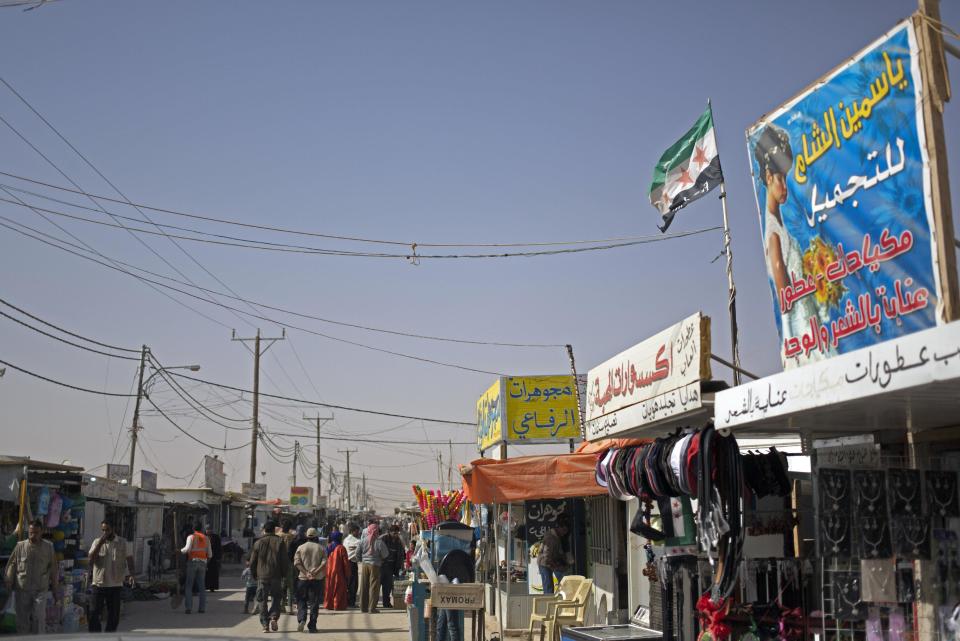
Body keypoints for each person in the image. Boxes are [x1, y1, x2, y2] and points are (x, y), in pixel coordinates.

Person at [753, 124, 831, 366]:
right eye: (779, 179)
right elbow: (785, 300)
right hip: (802, 335)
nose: (784, 187)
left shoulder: (780, 227)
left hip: (811, 329)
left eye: (785, 179)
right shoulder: (773, 234)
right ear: (768, 177)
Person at [4, 520, 57, 634]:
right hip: (22, 589)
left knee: (38, 618)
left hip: (40, 590)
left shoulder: (48, 547)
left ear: (41, 532)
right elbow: (12, 564)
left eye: (36, 533)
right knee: (22, 621)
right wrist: (8, 579)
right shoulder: (20, 546)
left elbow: (53, 569)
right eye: (31, 533)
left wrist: (56, 590)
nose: (33, 536)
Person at [87, 520, 135, 632]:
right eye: (103, 530)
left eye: (107, 530)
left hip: (115, 585)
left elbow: (130, 559)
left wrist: (132, 575)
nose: (105, 532)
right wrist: (100, 543)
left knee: (113, 616)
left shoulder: (123, 542)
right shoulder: (97, 542)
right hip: (98, 584)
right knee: (93, 614)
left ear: (113, 529)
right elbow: (91, 560)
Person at [249, 520, 291, 633]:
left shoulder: (258, 543)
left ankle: (265, 625)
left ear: (264, 530)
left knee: (262, 599)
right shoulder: (280, 541)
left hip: (262, 576)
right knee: (276, 598)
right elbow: (284, 561)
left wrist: (254, 574)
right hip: (276, 576)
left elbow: (252, 561)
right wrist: (284, 574)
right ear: (274, 530)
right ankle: (273, 617)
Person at [293, 528, 326, 633]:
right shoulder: (321, 548)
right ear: (316, 537)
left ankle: (302, 619)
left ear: (307, 537)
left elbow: (297, 563)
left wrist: (306, 573)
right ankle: (312, 626)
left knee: (301, 600)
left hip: (303, 578)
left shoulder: (300, 547)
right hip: (317, 579)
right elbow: (324, 562)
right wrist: (315, 572)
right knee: (314, 602)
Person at [181, 522, 212, 614]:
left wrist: (179, 551)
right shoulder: (206, 538)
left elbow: (187, 549)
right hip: (203, 563)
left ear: (193, 529)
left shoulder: (191, 537)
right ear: (201, 529)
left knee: (189, 585)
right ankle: (202, 608)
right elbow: (210, 554)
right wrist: (206, 563)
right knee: (202, 586)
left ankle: (188, 608)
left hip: (192, 562)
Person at [358, 521, 388, 613]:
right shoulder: (379, 542)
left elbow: (357, 553)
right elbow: (385, 554)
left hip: (365, 565)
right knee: (374, 587)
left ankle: (363, 607)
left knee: (364, 585)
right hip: (375, 565)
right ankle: (372, 608)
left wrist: (362, 559)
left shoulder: (363, 541)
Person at [537, 516, 570, 595]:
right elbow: (547, 557)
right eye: (564, 530)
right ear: (559, 528)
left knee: (562, 581)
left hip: (552, 561)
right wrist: (556, 566)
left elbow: (558, 552)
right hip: (544, 563)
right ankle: (548, 602)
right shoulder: (551, 539)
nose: (564, 533)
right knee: (548, 586)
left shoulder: (557, 536)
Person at [380, 525, 405, 609]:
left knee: (388, 586)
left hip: (391, 566)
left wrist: (401, 566)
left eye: (397, 533)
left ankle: (386, 603)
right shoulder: (383, 539)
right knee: (377, 585)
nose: (396, 535)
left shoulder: (399, 541)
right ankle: (373, 603)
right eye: (394, 533)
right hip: (381, 566)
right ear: (389, 532)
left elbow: (401, 554)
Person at [324, 531, 349, 611]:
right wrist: (348, 573)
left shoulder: (328, 547)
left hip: (329, 571)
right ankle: (337, 605)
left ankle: (329, 605)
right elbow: (345, 563)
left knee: (329, 588)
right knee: (338, 589)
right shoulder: (341, 548)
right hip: (339, 572)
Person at [279, 520, 297, 613]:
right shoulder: (292, 537)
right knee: (290, 586)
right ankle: (290, 607)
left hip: (280, 563)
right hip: (290, 562)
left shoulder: (278, 536)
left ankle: (282, 605)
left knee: (282, 585)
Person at [343, 524, 361, 608]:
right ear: (353, 531)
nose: (358, 533)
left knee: (348, 582)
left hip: (346, 563)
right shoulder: (357, 541)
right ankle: (351, 602)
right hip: (352, 563)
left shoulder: (345, 540)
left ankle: (347, 601)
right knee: (353, 584)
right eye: (357, 531)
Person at [205, 526, 223, 592]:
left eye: (210, 529)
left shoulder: (216, 537)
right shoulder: (203, 537)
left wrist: (219, 557)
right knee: (206, 573)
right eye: (207, 529)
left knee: (213, 573)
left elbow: (219, 548)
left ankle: (212, 587)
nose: (209, 531)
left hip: (214, 558)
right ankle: (205, 586)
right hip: (205, 557)